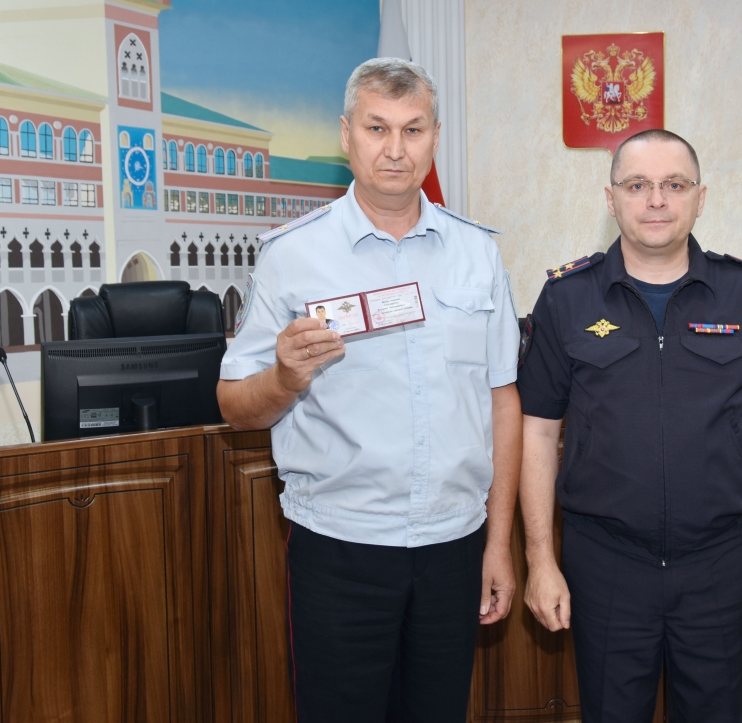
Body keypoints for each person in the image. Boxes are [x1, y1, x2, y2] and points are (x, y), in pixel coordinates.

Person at [217, 57, 522, 723]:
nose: (395, 149)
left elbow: (502, 400)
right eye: (377, 128)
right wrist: (284, 378)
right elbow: (235, 404)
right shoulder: (292, 255)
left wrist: (499, 544)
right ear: (346, 134)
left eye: (413, 130)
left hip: (453, 544)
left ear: (434, 137)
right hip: (340, 547)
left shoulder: (478, 253)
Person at [517, 129, 742, 723]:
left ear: (700, 198)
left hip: (720, 565)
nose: (656, 200)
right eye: (637, 185)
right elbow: (538, 432)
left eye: (674, 185)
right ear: (611, 199)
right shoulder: (566, 299)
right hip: (605, 565)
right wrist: (540, 559)